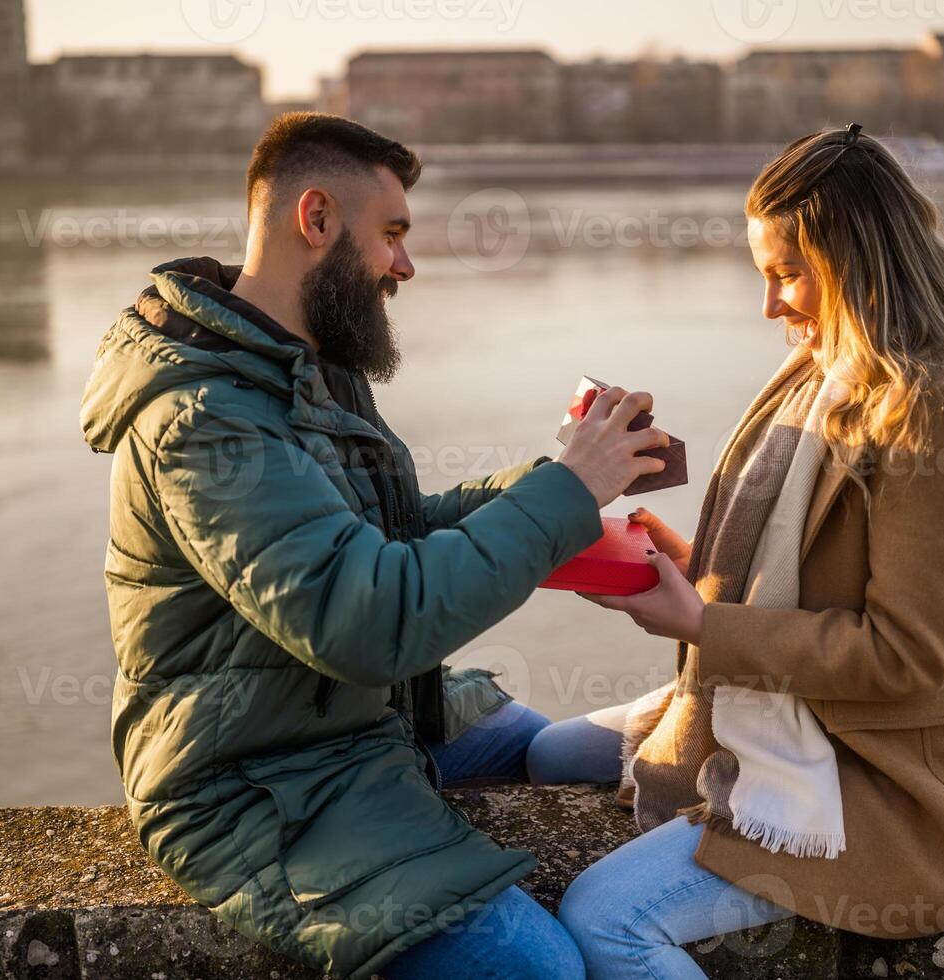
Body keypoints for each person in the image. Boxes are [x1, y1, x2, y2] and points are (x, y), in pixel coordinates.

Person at [79, 112, 669, 979]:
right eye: (391, 234)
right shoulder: (205, 425)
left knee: (552, 751)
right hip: (254, 780)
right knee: (537, 968)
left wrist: (553, 488)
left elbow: (387, 534)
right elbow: (372, 620)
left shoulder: (304, 366)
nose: (406, 264)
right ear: (314, 219)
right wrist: (565, 494)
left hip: (364, 723)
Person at [527, 125, 944, 979]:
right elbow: (782, 569)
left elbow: (907, 657)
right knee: (546, 754)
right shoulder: (816, 369)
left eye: (788, 274)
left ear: (858, 264)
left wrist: (704, 626)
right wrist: (674, 566)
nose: (771, 305)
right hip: (781, 705)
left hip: (871, 769)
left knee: (604, 919)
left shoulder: (934, 414)